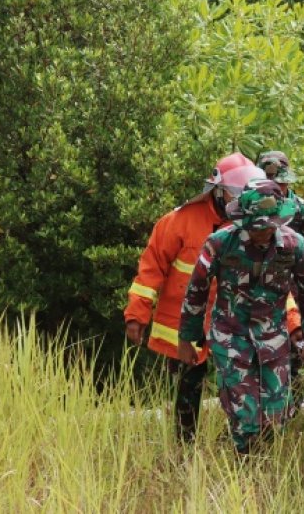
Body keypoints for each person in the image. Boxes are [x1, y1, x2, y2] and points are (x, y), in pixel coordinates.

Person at [177, 178, 304, 454]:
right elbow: (196, 291)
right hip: (231, 338)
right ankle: (244, 472)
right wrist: (186, 339)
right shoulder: (219, 244)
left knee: (275, 418)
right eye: (255, 227)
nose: (261, 233)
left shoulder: (295, 246)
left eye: (267, 227)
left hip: (273, 339)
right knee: (246, 418)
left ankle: (262, 467)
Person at [124, 152, 264, 442]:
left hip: (233, 323)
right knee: (187, 388)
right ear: (217, 190)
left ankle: (239, 445)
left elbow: (274, 282)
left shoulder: (254, 224)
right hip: (185, 326)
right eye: (235, 193)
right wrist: (137, 315)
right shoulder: (179, 222)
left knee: (238, 385)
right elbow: (151, 270)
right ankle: (183, 448)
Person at [257, 151, 304, 291]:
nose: (276, 190)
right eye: (271, 184)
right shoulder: (250, 208)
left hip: (292, 283)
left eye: (280, 184)